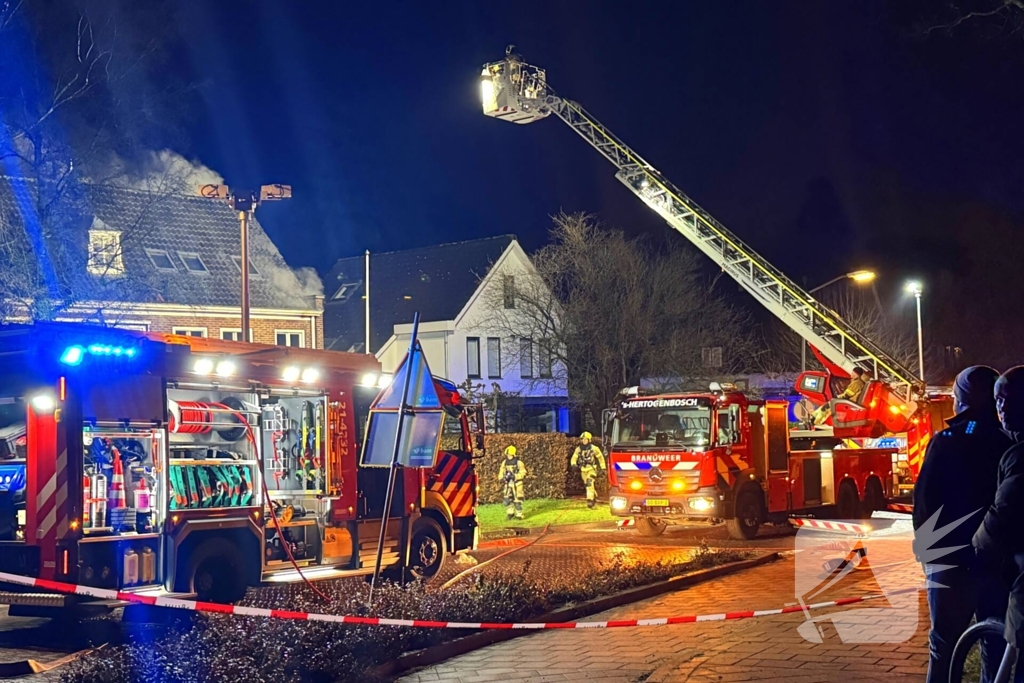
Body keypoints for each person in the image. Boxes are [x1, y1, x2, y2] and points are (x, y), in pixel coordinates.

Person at [913, 366, 1010, 683]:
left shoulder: (947, 441)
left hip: (951, 563)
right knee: (993, 643)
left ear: (965, 398)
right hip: (996, 562)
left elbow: (926, 503)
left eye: (956, 396)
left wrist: (929, 558)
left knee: (944, 646)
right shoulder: (1007, 441)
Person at [974, 366, 1024, 680]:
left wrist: (975, 551)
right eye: (998, 400)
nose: (1002, 408)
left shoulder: (1019, 458)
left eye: (1009, 398)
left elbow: (1001, 517)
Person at [571, 432, 606, 509]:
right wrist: (573, 464)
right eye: (583, 439)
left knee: (589, 483)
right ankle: (593, 497)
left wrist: (603, 467)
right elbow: (574, 457)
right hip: (583, 470)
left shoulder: (594, 448)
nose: (584, 441)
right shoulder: (579, 449)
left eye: (585, 439)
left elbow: (600, 458)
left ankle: (589, 500)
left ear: (589, 440)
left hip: (591, 469)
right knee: (588, 485)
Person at [499, 445, 526, 521]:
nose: (509, 456)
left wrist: (515, 476)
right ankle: (510, 513)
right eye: (507, 455)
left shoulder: (519, 463)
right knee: (507, 500)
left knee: (517, 501)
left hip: (517, 484)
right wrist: (502, 477)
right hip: (507, 484)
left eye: (510, 454)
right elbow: (501, 471)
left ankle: (519, 515)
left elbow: (523, 473)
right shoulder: (504, 463)